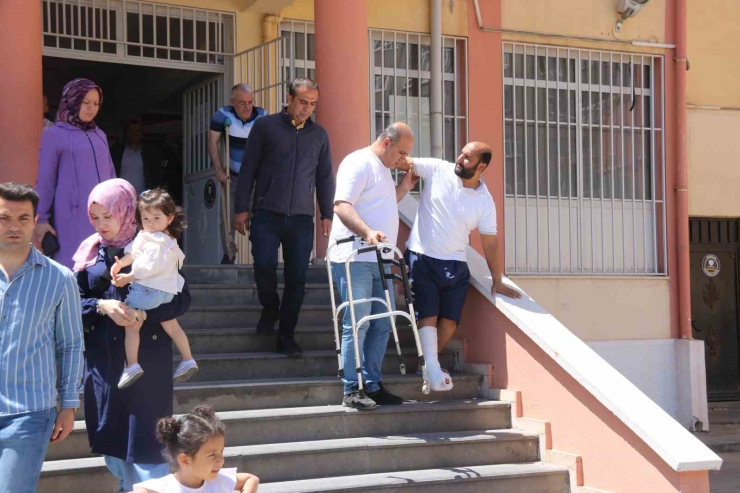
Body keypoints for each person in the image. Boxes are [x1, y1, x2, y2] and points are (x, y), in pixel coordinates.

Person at [73, 179, 192, 493]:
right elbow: (72, 302)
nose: (102, 225)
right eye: (95, 217)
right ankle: (126, 486)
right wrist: (102, 305)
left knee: (147, 443)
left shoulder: (155, 245)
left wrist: (147, 312)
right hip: (104, 363)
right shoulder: (89, 252)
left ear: (125, 212)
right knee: (110, 438)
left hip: (147, 364)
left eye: (108, 216)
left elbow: (181, 298)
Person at [399, 142, 522, 391]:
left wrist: (496, 279)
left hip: (456, 263)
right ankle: (432, 368)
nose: (460, 159)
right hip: (422, 256)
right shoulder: (437, 169)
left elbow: (490, 243)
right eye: (461, 154)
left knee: (452, 321)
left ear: (482, 166)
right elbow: (403, 162)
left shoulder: (485, 202)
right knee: (428, 315)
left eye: (467, 158)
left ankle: (427, 364)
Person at [234, 77, 335, 357]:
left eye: (312, 104)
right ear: (289, 98)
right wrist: (241, 207)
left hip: (302, 218)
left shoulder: (319, 136)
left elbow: (324, 177)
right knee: (264, 266)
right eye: (303, 102)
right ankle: (270, 307)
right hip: (267, 212)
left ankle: (286, 335)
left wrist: (326, 212)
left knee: (297, 279)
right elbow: (249, 168)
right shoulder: (265, 127)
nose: (307, 109)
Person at [328, 123, 419, 410]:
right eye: (401, 151)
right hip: (354, 256)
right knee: (357, 323)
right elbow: (342, 206)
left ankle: (372, 384)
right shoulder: (358, 162)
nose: (402, 158)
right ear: (386, 142)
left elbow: (381, 203)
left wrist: (404, 186)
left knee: (382, 323)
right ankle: (351, 388)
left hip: (380, 259)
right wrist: (368, 232)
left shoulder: (381, 169)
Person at [0, 182, 84, 493]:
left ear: (35, 222)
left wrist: (69, 404)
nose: (13, 226)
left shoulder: (59, 278)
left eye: (23, 218)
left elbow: (71, 344)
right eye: (4, 217)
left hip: (29, 412)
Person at [110, 189, 197, 389]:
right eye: (145, 218)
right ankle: (188, 359)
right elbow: (132, 253)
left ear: (170, 218)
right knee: (172, 325)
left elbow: (147, 267)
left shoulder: (158, 241)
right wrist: (119, 264)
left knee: (131, 325)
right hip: (166, 292)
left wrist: (127, 277)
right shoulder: (153, 236)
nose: (150, 222)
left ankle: (131, 365)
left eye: (156, 217)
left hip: (148, 290)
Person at [34, 78, 116, 269]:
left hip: (103, 214)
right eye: (85, 102)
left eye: (96, 103)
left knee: (102, 267)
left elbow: (111, 175)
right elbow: (46, 178)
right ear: (72, 101)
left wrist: (119, 208)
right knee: (72, 268)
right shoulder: (54, 134)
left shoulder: (100, 135)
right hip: (69, 217)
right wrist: (42, 218)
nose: (91, 108)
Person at [130, 405, 259, 493]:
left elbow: (251, 479)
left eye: (221, 451)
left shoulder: (219, 481)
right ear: (185, 460)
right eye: (212, 455)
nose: (221, 460)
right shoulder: (164, 489)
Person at [209, 84, 267, 264]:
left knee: (258, 217)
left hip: (257, 178)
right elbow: (213, 143)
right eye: (242, 103)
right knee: (227, 217)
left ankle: (260, 255)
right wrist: (218, 170)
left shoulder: (263, 117)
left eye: (250, 102)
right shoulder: (223, 115)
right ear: (233, 102)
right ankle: (229, 254)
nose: (247, 107)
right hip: (233, 176)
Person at [113, 119, 166, 195]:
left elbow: (155, 175)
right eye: (131, 130)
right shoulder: (117, 152)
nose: (135, 133)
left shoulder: (149, 153)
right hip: (121, 196)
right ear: (126, 132)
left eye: (138, 130)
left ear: (142, 133)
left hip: (144, 197)